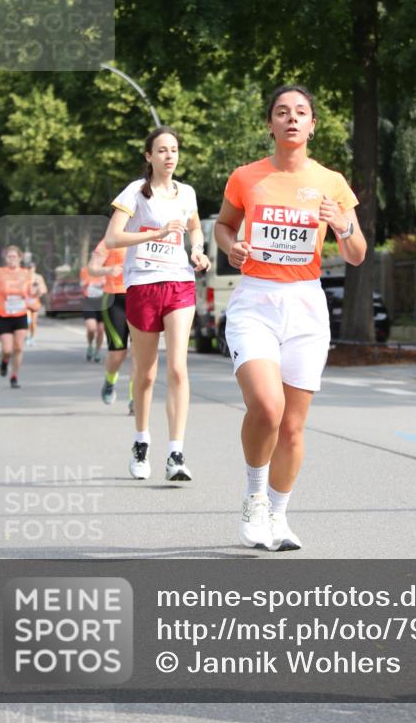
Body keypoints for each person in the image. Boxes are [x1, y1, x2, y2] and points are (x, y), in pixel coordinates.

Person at [214, 85, 366, 552]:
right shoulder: (247, 177)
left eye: (301, 112)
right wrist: (231, 246)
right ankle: (254, 498)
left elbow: (357, 254)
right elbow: (223, 225)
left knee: (294, 427)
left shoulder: (332, 182)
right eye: (282, 112)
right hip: (256, 301)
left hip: (305, 304)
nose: (292, 119)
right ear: (270, 124)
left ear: (313, 125)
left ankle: (279, 517)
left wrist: (340, 223)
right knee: (266, 406)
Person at [104, 127, 210, 483]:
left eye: (175, 150)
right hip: (143, 286)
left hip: (180, 283)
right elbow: (112, 238)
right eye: (162, 150)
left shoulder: (188, 193)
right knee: (146, 373)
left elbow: (195, 229)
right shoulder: (136, 192)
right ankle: (141, 441)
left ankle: (176, 453)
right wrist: (156, 233)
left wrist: (197, 250)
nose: (170, 156)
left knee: (178, 368)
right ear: (148, 156)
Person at [87, 238, 134, 410]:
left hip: (141, 297)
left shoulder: (148, 234)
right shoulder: (109, 241)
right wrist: (108, 269)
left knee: (139, 353)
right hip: (115, 299)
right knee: (118, 353)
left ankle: (134, 399)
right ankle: (110, 380)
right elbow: (92, 268)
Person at [0, 246, 37, 389]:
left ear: (20, 258)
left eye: (15, 257)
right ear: (5, 258)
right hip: (3, 314)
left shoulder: (26, 274)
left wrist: (35, 291)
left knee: (19, 347)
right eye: (9, 257)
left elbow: (31, 291)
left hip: (20, 314)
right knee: (7, 349)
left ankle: (14, 376)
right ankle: (4, 362)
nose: (12, 259)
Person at [79, 263, 105, 362]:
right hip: (89, 301)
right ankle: (90, 345)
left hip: (103, 302)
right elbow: (81, 284)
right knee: (91, 328)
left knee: (101, 330)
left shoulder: (106, 270)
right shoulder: (85, 270)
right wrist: (90, 281)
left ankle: (97, 351)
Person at [24, 260, 47, 345]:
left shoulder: (38, 277)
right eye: (28, 267)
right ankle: (27, 335)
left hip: (35, 303)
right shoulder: (23, 277)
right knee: (27, 321)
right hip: (25, 304)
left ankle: (33, 337)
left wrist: (40, 291)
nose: (30, 269)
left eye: (31, 267)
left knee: (33, 322)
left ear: (35, 268)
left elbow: (44, 289)